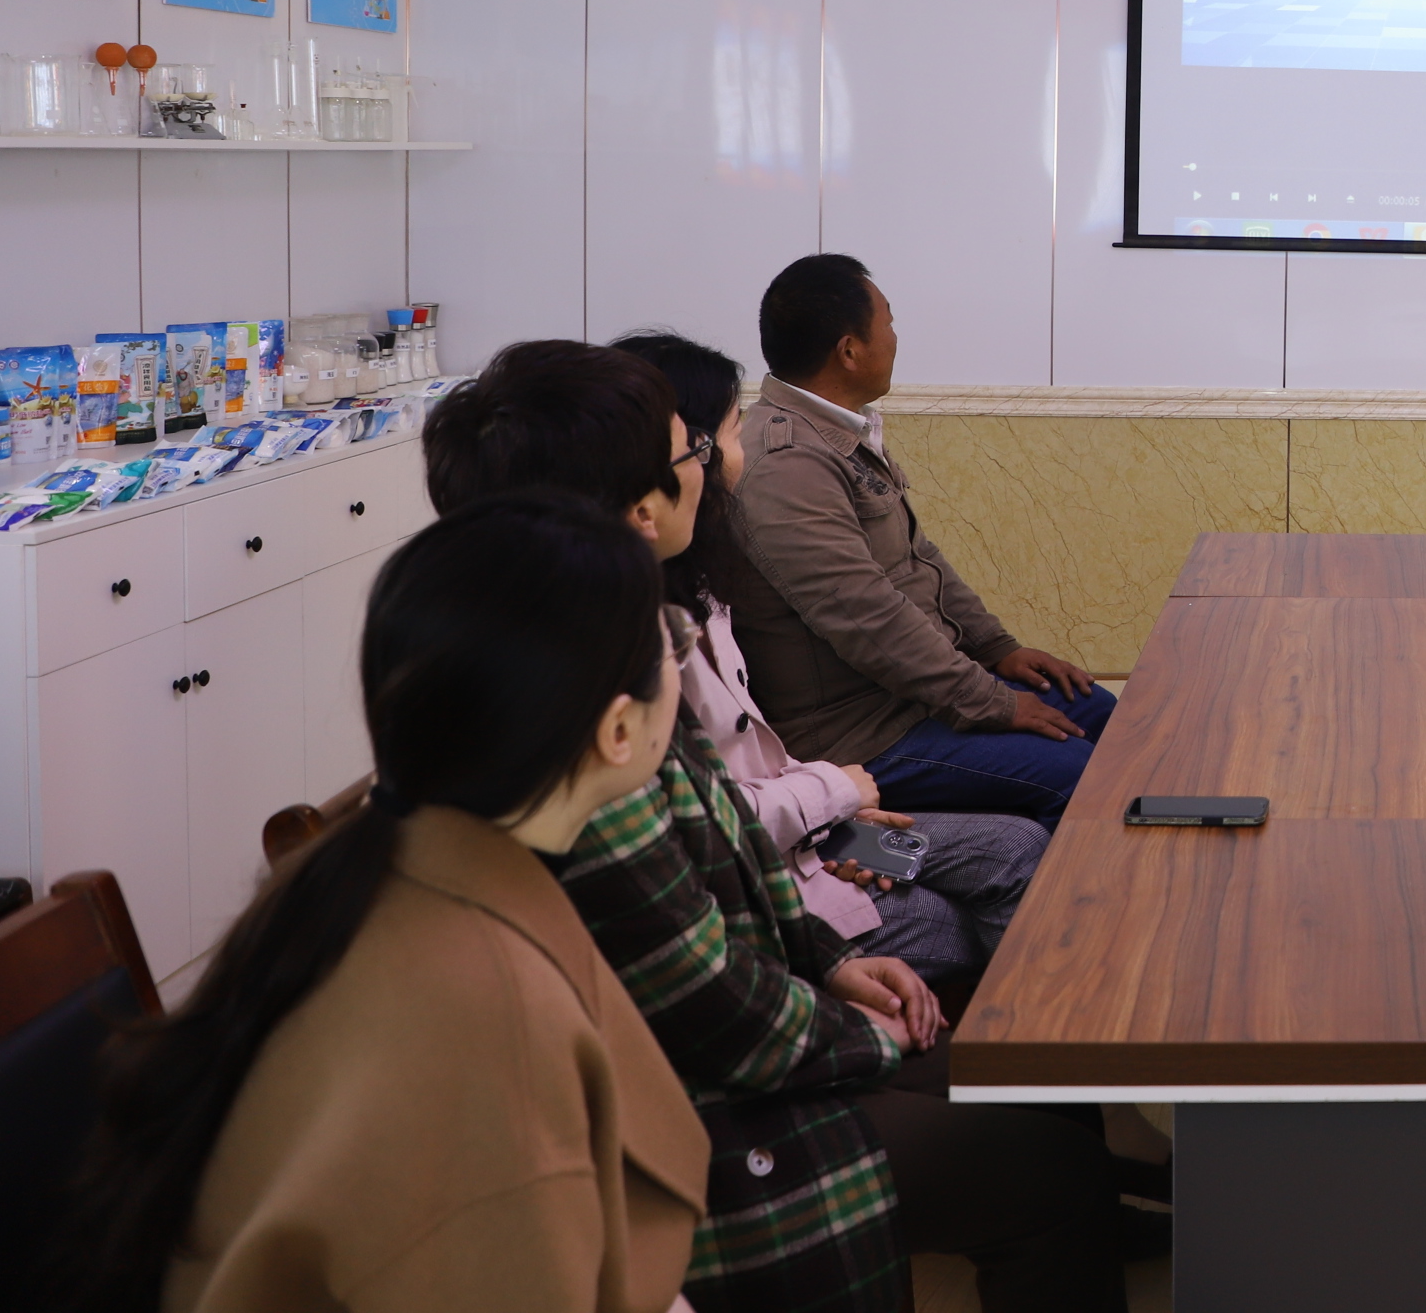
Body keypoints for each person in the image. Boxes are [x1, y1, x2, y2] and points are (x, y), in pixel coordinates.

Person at [424, 341, 1136, 1313]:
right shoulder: (600, 695)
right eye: (703, 443)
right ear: (640, 507)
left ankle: (1055, 1099)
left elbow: (718, 829)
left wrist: (828, 938)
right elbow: (706, 970)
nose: (725, 457)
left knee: (1014, 855)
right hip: (757, 988)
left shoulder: (650, 613)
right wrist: (844, 818)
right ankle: (1054, 1098)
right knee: (997, 899)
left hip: (825, 842)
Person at [46, 493, 709, 1313]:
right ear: (619, 731)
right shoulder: (486, 1013)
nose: (680, 656)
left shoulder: (369, 868)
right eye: (671, 644)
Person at [613, 329, 1048, 990]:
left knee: (1015, 847)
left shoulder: (700, 588)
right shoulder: (636, 636)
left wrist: (835, 811)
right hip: (777, 851)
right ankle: (1028, 1037)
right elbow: (695, 827)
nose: (737, 454)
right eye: (725, 437)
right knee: (951, 923)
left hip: (817, 826)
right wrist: (833, 796)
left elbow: (754, 757)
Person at [718, 255, 1116, 822]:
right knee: (1081, 778)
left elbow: (918, 558)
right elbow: (866, 616)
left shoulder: (835, 431)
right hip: (860, 733)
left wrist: (996, 649)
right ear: (850, 350)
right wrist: (992, 702)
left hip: (913, 698)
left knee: (1101, 713)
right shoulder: (787, 463)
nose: (896, 338)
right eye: (888, 323)